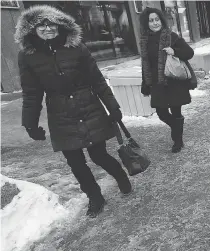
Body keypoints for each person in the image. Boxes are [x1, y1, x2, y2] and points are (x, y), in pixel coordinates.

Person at [15, 5, 131, 218]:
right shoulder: (28, 56)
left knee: (99, 155)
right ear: (32, 29)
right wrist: (29, 123)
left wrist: (113, 107)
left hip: (88, 106)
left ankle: (121, 176)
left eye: (51, 24)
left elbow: (97, 80)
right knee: (76, 163)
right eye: (41, 24)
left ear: (60, 26)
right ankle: (95, 197)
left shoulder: (77, 48)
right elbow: (31, 92)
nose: (47, 28)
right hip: (60, 115)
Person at [139, 7, 196, 153]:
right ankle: (177, 128)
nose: (155, 23)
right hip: (158, 83)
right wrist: (145, 82)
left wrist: (174, 51)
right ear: (146, 23)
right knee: (161, 113)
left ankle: (178, 141)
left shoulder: (171, 36)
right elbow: (146, 63)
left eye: (157, 19)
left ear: (161, 20)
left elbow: (189, 53)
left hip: (173, 81)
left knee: (176, 112)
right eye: (151, 20)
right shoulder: (144, 40)